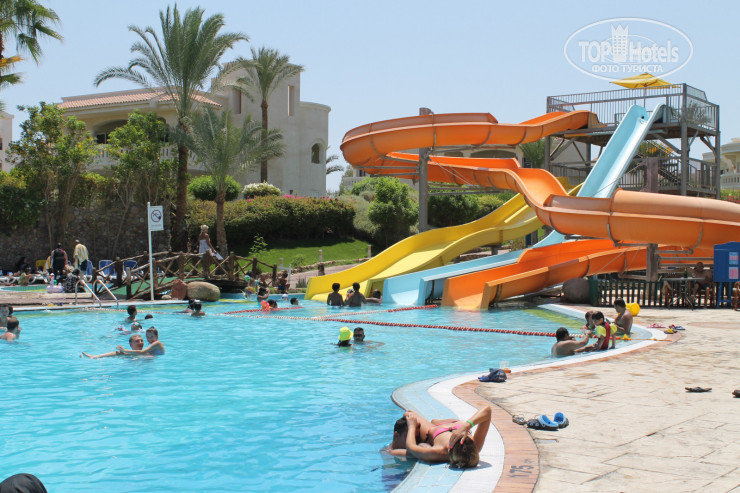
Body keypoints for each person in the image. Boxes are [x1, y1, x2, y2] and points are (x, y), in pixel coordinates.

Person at [397, 407, 492, 468]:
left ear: (450, 450)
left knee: (409, 414)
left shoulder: (439, 452)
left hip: (435, 430)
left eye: (456, 439)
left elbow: (411, 447)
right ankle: (434, 421)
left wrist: (412, 426)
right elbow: (487, 410)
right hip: (452, 423)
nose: (461, 436)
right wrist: (466, 426)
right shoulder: (475, 447)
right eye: (465, 437)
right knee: (433, 420)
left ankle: (432, 422)